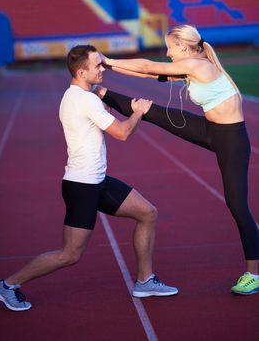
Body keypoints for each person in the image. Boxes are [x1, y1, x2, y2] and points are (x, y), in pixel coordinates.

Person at [0, 45, 178, 312]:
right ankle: (8, 285)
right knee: (70, 255)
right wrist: (139, 111)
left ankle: (145, 280)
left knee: (147, 213)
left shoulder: (78, 95)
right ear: (82, 72)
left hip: (97, 181)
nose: (102, 68)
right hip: (82, 186)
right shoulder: (85, 100)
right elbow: (121, 133)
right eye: (97, 65)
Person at [95, 24, 259, 295]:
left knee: (237, 206)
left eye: (170, 47)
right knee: (152, 112)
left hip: (231, 139)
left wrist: (109, 59)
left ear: (183, 46)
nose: (168, 53)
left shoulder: (198, 65)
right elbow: (149, 75)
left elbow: (148, 67)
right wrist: (107, 69)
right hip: (208, 130)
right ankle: (101, 94)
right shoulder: (191, 65)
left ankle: (254, 273)